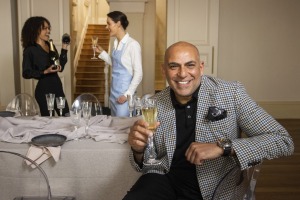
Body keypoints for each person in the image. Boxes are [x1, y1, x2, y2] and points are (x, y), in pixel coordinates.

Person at [124, 41, 294, 200]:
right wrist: (138, 151)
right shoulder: (154, 103)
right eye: (174, 66)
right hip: (165, 180)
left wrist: (223, 148)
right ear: (164, 70)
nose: (183, 74)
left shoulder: (231, 93)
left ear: (201, 67)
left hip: (217, 186)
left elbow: (282, 140)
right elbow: (148, 161)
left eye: (190, 65)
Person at [95, 11, 143, 117]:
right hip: (114, 94)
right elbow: (116, 64)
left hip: (124, 96)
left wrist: (127, 94)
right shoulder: (116, 43)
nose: (106, 27)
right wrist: (102, 53)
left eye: (109, 23)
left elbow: (138, 74)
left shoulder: (133, 45)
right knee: (115, 127)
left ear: (118, 24)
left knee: (123, 129)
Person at [21, 16, 70, 116]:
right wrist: (44, 72)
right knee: (48, 121)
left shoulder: (50, 45)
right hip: (44, 90)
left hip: (57, 87)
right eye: (44, 28)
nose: (48, 31)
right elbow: (26, 73)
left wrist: (64, 47)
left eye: (49, 28)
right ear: (35, 30)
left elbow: (60, 66)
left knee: (66, 116)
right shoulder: (30, 50)